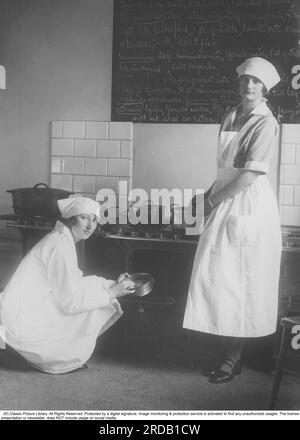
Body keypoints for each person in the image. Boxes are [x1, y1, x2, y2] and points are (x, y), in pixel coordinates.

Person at [183, 57, 282, 383]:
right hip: (226, 197)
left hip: (248, 205)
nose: (249, 86)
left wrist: (211, 202)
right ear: (239, 83)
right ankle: (223, 349)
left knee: (241, 283)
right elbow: (225, 172)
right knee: (218, 279)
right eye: (245, 80)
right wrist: (204, 197)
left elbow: (249, 176)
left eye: (256, 82)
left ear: (265, 87)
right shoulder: (231, 116)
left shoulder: (265, 122)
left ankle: (233, 358)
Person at [0, 196, 134, 374]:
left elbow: (75, 282)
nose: (90, 226)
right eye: (84, 218)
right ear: (71, 219)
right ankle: (55, 359)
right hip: (22, 318)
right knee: (103, 299)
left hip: (27, 307)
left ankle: (57, 356)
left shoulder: (62, 239)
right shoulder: (59, 245)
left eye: (94, 220)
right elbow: (70, 302)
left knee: (100, 288)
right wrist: (111, 293)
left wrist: (111, 284)